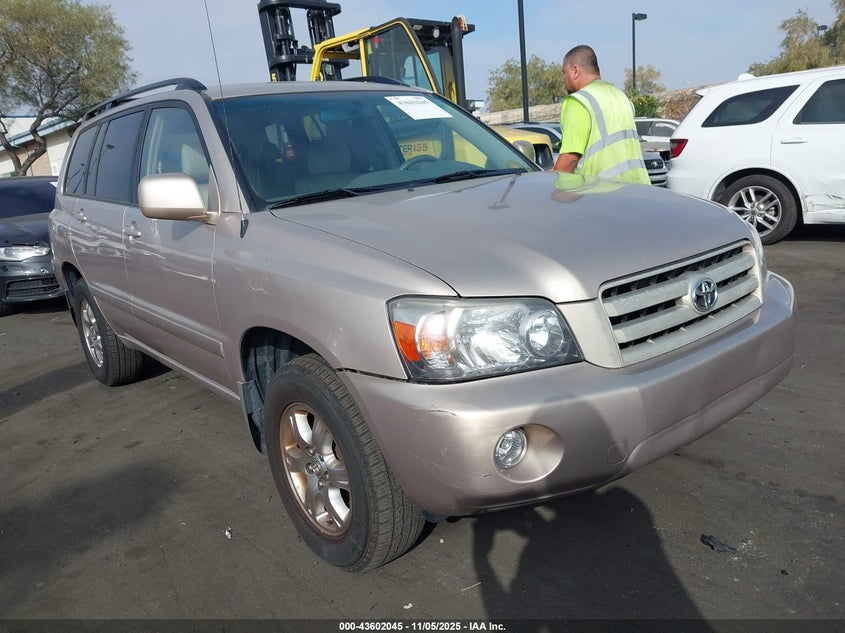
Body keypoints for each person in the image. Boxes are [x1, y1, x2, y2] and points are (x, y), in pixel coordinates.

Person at [554, 45, 650, 185]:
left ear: (575, 70)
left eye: (564, 72)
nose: (564, 79)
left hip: (601, 193)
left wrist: (551, 188)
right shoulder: (621, 97)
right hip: (639, 188)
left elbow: (570, 158)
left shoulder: (579, 101)